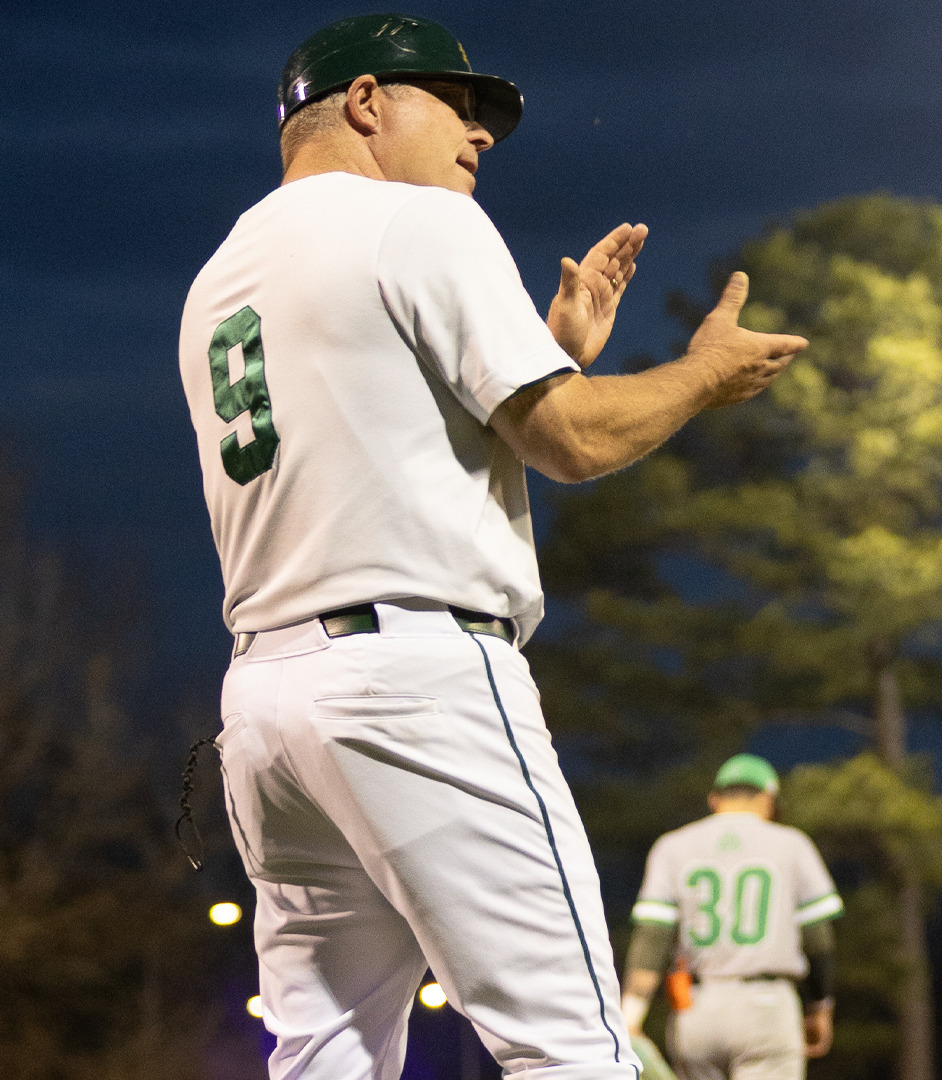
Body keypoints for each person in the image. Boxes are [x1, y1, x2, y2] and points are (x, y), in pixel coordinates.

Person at [179, 14, 807, 1079]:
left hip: (266, 706)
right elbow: (572, 441)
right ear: (366, 102)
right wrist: (705, 375)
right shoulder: (418, 222)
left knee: (323, 1058)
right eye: (458, 106)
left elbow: (385, 441)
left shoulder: (220, 277)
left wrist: (546, 353)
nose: (481, 135)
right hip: (415, 680)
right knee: (571, 1048)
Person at [622, 755, 844, 1080]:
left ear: (714, 799)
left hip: (697, 1008)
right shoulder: (792, 844)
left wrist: (630, 1017)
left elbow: (652, 937)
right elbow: (818, 939)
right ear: (767, 799)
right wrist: (819, 1007)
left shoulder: (672, 846)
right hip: (767, 1004)